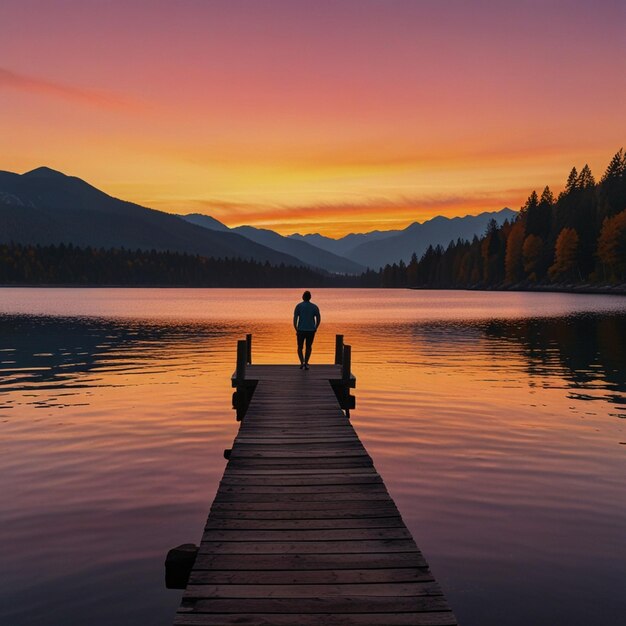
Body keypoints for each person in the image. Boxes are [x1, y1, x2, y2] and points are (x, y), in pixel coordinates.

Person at [293, 290, 320, 370]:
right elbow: (318, 318)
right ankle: (306, 362)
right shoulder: (314, 307)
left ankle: (302, 362)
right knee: (309, 347)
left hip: (301, 330)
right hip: (311, 330)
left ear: (303, 297)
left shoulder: (299, 306)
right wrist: (316, 327)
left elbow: (295, 319)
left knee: (300, 347)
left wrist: (296, 328)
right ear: (310, 297)